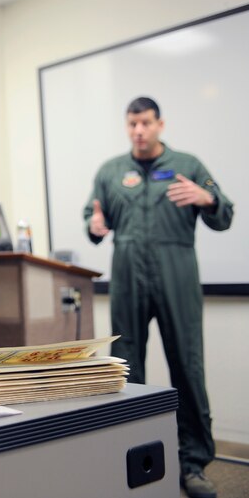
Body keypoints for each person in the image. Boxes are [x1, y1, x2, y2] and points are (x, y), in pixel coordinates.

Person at [84, 96, 233, 498]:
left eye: (146, 123)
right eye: (132, 124)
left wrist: (208, 199)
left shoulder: (189, 165)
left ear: (160, 124)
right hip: (128, 273)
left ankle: (193, 463)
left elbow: (225, 214)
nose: (138, 131)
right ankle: (131, 454)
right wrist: (94, 226)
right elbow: (93, 218)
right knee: (126, 366)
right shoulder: (111, 172)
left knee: (187, 364)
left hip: (176, 272)